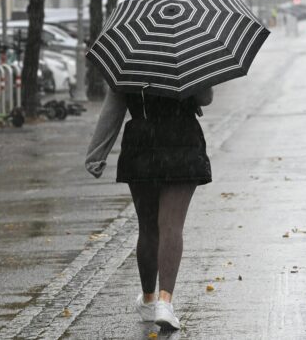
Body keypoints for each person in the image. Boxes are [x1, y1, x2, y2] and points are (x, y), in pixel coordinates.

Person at [86, 86, 213, 331]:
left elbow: (113, 108)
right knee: (171, 226)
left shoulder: (131, 65)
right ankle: (165, 302)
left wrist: (96, 154)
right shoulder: (186, 61)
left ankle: (148, 300)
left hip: (141, 144)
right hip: (183, 141)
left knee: (148, 228)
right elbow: (205, 98)